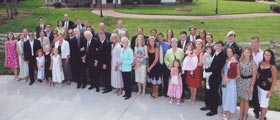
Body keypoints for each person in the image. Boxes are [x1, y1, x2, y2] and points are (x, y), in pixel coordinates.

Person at [201, 41, 226, 116]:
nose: (218, 47)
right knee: (208, 92)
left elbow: (217, 67)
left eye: (219, 46)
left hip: (216, 77)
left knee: (214, 93)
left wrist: (207, 69)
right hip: (210, 76)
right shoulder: (214, 52)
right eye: (216, 46)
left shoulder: (222, 56)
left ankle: (214, 110)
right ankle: (208, 105)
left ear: (222, 47)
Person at [256, 49, 277, 120]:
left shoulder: (273, 67)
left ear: (271, 56)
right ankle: (263, 116)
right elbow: (258, 73)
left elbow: (274, 81)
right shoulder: (260, 63)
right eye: (265, 54)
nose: (266, 56)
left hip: (266, 89)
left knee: (264, 105)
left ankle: (261, 118)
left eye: (268, 55)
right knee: (260, 103)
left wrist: (270, 91)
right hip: (258, 86)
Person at [237, 47, 257, 120]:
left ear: (250, 53)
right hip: (241, 82)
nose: (246, 53)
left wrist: (251, 87)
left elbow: (254, 77)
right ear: (243, 53)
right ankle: (241, 115)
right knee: (241, 100)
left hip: (248, 82)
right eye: (245, 52)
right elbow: (238, 71)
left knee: (246, 100)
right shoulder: (240, 60)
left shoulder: (253, 63)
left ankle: (245, 115)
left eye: (248, 52)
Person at [221, 48, 239, 120]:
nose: (229, 52)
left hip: (231, 82)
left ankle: (229, 114)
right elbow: (222, 71)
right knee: (225, 96)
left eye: (230, 51)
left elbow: (238, 75)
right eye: (227, 51)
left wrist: (229, 79)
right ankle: (225, 110)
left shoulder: (236, 62)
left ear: (233, 52)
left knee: (230, 97)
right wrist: (223, 78)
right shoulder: (224, 61)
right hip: (224, 81)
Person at [184, 40, 204, 104]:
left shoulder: (201, 52)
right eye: (197, 44)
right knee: (190, 83)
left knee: (194, 84)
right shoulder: (194, 50)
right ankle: (191, 96)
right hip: (190, 69)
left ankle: (194, 97)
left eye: (199, 44)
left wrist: (193, 62)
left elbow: (200, 63)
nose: (198, 45)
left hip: (196, 70)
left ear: (202, 45)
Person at [250, 36, 264, 119]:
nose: (254, 44)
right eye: (252, 42)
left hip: (258, 77)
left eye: (255, 42)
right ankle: (245, 110)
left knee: (257, 94)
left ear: (258, 43)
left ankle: (256, 111)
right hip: (248, 76)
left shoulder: (262, 54)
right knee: (247, 94)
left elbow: (265, 65)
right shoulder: (248, 52)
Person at [157, 33, 171, 97]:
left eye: (161, 37)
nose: (160, 38)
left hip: (165, 64)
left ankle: (166, 92)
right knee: (159, 79)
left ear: (163, 37)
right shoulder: (156, 45)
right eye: (158, 37)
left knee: (166, 79)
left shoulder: (168, 45)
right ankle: (159, 92)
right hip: (158, 64)